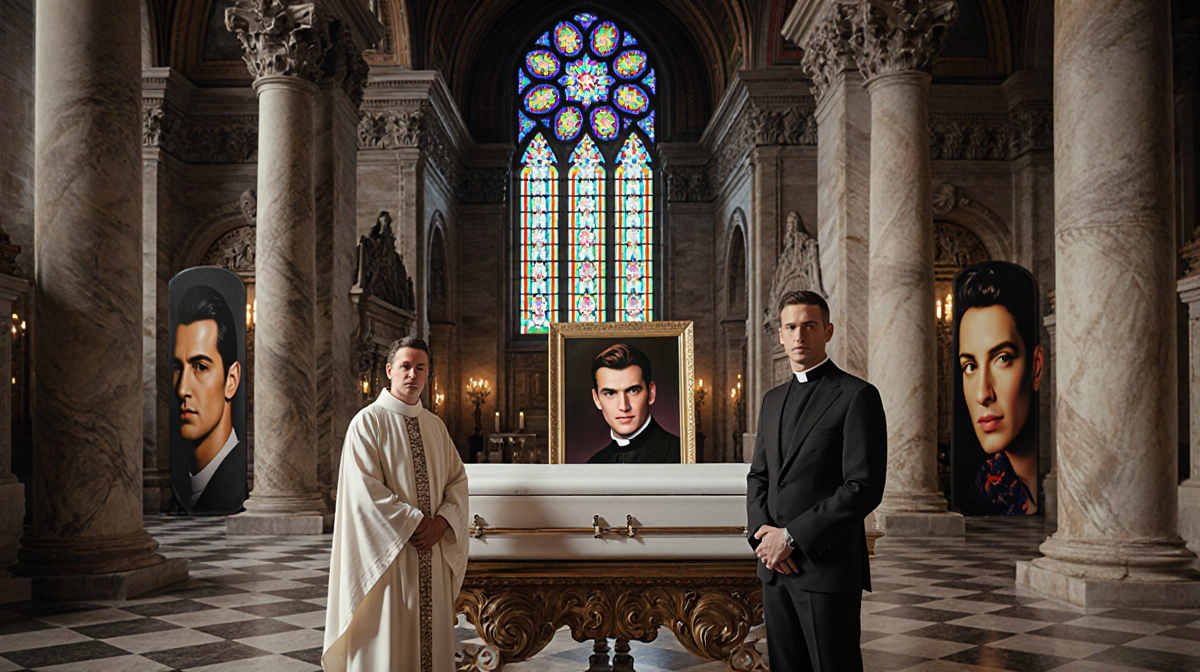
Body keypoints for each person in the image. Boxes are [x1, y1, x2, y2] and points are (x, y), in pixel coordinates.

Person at [746, 290, 887, 672]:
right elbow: (759, 475)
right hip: (776, 569)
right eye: (790, 327)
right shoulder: (771, 400)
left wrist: (791, 537)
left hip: (826, 567)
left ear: (827, 331)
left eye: (809, 326)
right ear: (779, 334)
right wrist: (765, 537)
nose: (799, 335)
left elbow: (863, 487)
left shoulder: (858, 396)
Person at [323, 337, 469, 672]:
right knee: (389, 642)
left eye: (420, 368)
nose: (412, 375)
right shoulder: (367, 423)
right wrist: (418, 523)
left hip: (430, 552)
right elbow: (364, 490)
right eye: (405, 366)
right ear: (389, 371)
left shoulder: (436, 427)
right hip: (388, 559)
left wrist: (443, 523)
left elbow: (457, 483)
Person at [955, 263, 1043, 515]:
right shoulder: (983, 491)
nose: (983, 394)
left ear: (1036, 367)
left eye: (1002, 358)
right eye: (970, 366)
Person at [171, 284, 244, 514]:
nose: (182, 388)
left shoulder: (232, 480)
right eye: (177, 368)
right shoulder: (181, 481)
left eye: (200, 367)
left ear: (231, 380)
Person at [586, 343, 681, 464]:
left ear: (651, 393)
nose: (623, 407)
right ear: (596, 399)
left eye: (633, 391)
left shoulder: (681, 453)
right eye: (610, 393)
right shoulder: (594, 463)